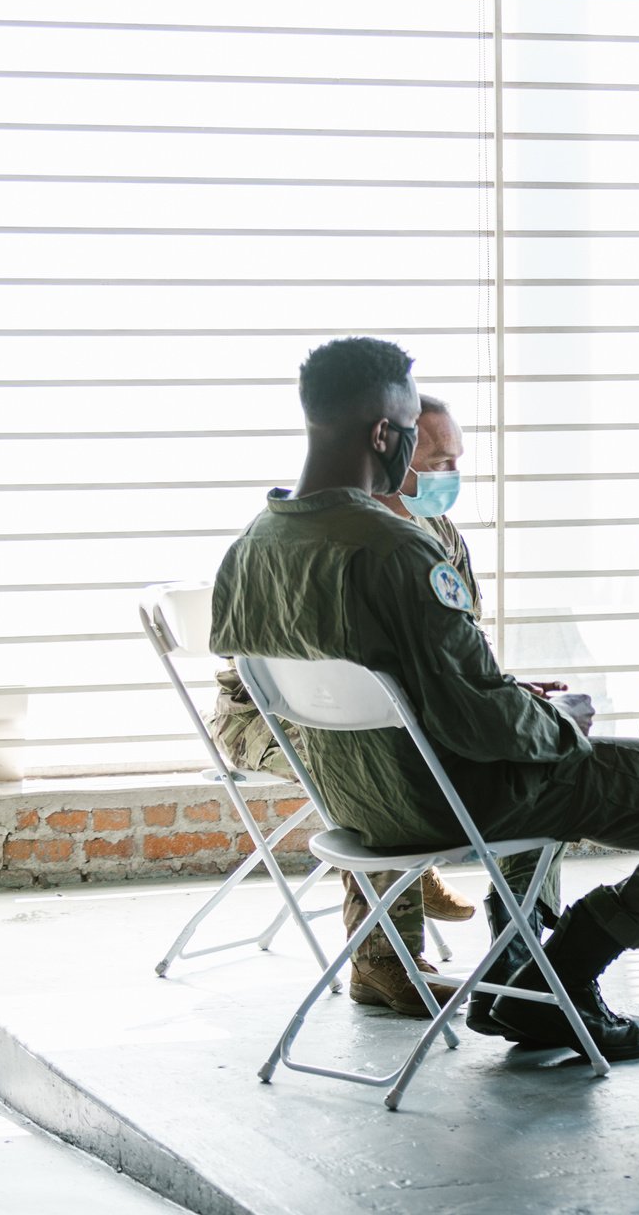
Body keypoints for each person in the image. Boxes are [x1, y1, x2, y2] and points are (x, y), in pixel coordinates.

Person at [212, 338, 639, 1061]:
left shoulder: (251, 547)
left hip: (354, 807)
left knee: (551, 748)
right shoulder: (396, 550)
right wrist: (560, 721)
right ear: (386, 437)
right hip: (452, 796)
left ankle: (528, 964)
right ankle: (560, 971)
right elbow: (477, 719)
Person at [207, 393, 485, 1016]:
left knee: (428, 742)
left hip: (396, 712)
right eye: (435, 459)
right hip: (269, 714)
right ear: (394, 450)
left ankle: (503, 943)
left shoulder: (435, 531)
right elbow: (275, 669)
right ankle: (383, 959)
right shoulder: (314, 534)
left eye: (456, 460)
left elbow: (463, 641)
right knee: (371, 755)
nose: (449, 475)